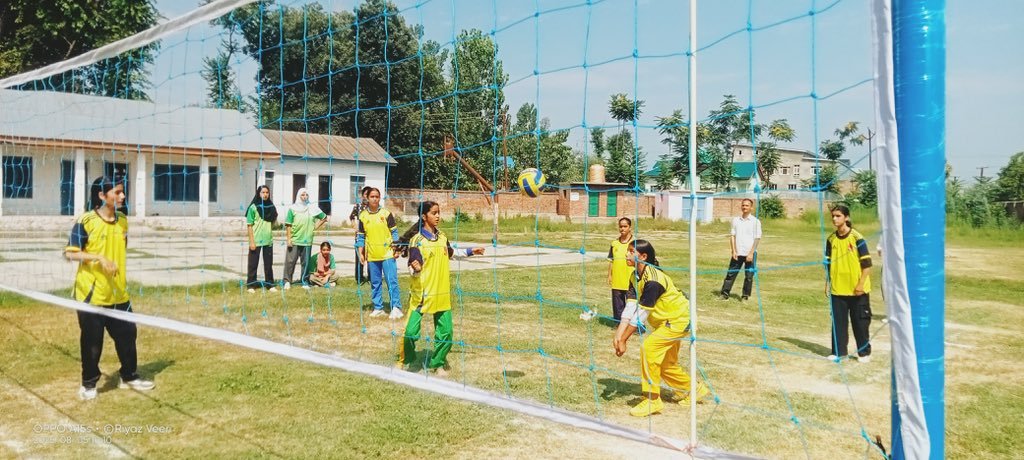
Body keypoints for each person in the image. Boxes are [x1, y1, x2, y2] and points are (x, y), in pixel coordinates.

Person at [64, 177, 155, 400]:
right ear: (102, 196)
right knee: (92, 342)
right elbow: (70, 253)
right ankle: (88, 384)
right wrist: (99, 258)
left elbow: (121, 247)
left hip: (118, 292)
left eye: (122, 191)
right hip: (92, 294)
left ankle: (129, 376)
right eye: (117, 192)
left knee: (128, 335)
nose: (122, 196)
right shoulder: (86, 220)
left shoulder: (123, 220)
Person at [613, 239, 708, 417]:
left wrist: (624, 339)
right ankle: (694, 389)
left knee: (648, 349)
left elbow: (641, 315)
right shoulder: (634, 276)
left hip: (679, 320)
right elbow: (631, 306)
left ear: (643, 256)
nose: (626, 254)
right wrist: (618, 335)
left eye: (631, 251)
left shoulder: (653, 280)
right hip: (666, 322)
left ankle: (652, 400)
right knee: (665, 363)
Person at [395, 201, 485, 376]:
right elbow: (413, 267)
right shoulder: (417, 241)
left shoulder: (442, 237)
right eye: (434, 213)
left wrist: (471, 251)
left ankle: (437, 363)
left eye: (438, 212)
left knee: (446, 333)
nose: (437, 216)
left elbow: (451, 253)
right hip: (422, 294)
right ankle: (406, 359)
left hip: (442, 292)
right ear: (424, 216)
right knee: (410, 332)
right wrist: (416, 269)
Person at [825, 205, 873, 363]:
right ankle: (838, 352)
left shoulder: (857, 237)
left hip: (857, 289)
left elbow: (867, 265)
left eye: (838, 216)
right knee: (838, 322)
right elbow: (828, 264)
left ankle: (864, 353)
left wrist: (860, 285)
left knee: (860, 323)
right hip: (838, 289)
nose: (834, 219)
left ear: (846, 218)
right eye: (833, 216)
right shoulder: (830, 239)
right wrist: (828, 282)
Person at [356, 187, 403, 319]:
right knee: (375, 283)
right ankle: (378, 308)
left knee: (391, 281)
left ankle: (396, 307)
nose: (375, 199)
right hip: (372, 255)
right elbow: (361, 237)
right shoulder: (363, 216)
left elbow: (394, 233)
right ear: (367, 198)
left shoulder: (386, 214)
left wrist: (396, 249)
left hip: (387, 254)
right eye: (372, 196)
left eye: (377, 196)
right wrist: (361, 253)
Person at [583, 217, 634, 322]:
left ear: (630, 227)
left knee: (632, 304)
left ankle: (633, 326)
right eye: (621, 226)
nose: (622, 229)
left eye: (625, 226)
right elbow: (611, 260)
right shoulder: (614, 243)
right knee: (618, 304)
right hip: (617, 279)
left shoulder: (635, 243)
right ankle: (618, 323)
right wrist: (609, 275)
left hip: (631, 279)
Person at [283, 188, 328, 289]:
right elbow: (288, 225)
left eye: (306, 195)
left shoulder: (312, 208)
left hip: (307, 240)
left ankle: (304, 281)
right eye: (303, 195)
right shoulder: (292, 209)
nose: (305, 197)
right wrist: (289, 239)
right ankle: (287, 281)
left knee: (306, 263)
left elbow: (324, 217)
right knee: (290, 262)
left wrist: (315, 227)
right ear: (298, 196)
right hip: (295, 239)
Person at [719, 198, 762, 301]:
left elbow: (757, 238)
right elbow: (732, 236)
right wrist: (733, 251)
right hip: (738, 253)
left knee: (749, 276)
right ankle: (725, 294)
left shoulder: (755, 222)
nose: (744, 207)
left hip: (750, 253)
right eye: (743, 205)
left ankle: (745, 296)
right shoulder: (736, 220)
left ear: (751, 208)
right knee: (731, 274)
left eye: (747, 205)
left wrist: (751, 253)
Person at [245, 185, 278, 293]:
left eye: (267, 192)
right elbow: (249, 225)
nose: (265, 194)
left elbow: (274, 219)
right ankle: (251, 285)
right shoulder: (253, 207)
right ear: (258, 193)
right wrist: (252, 241)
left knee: (268, 264)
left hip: (268, 240)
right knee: (253, 264)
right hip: (256, 240)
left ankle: (270, 284)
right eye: (263, 192)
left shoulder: (271, 206)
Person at [348, 186, 373, 284]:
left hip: (371, 236)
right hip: (360, 236)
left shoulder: (374, 207)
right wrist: (355, 227)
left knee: (371, 257)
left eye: (369, 194)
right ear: (362, 195)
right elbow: (351, 217)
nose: (367, 196)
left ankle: (371, 278)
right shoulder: (358, 206)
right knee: (359, 256)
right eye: (366, 194)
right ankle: (359, 278)